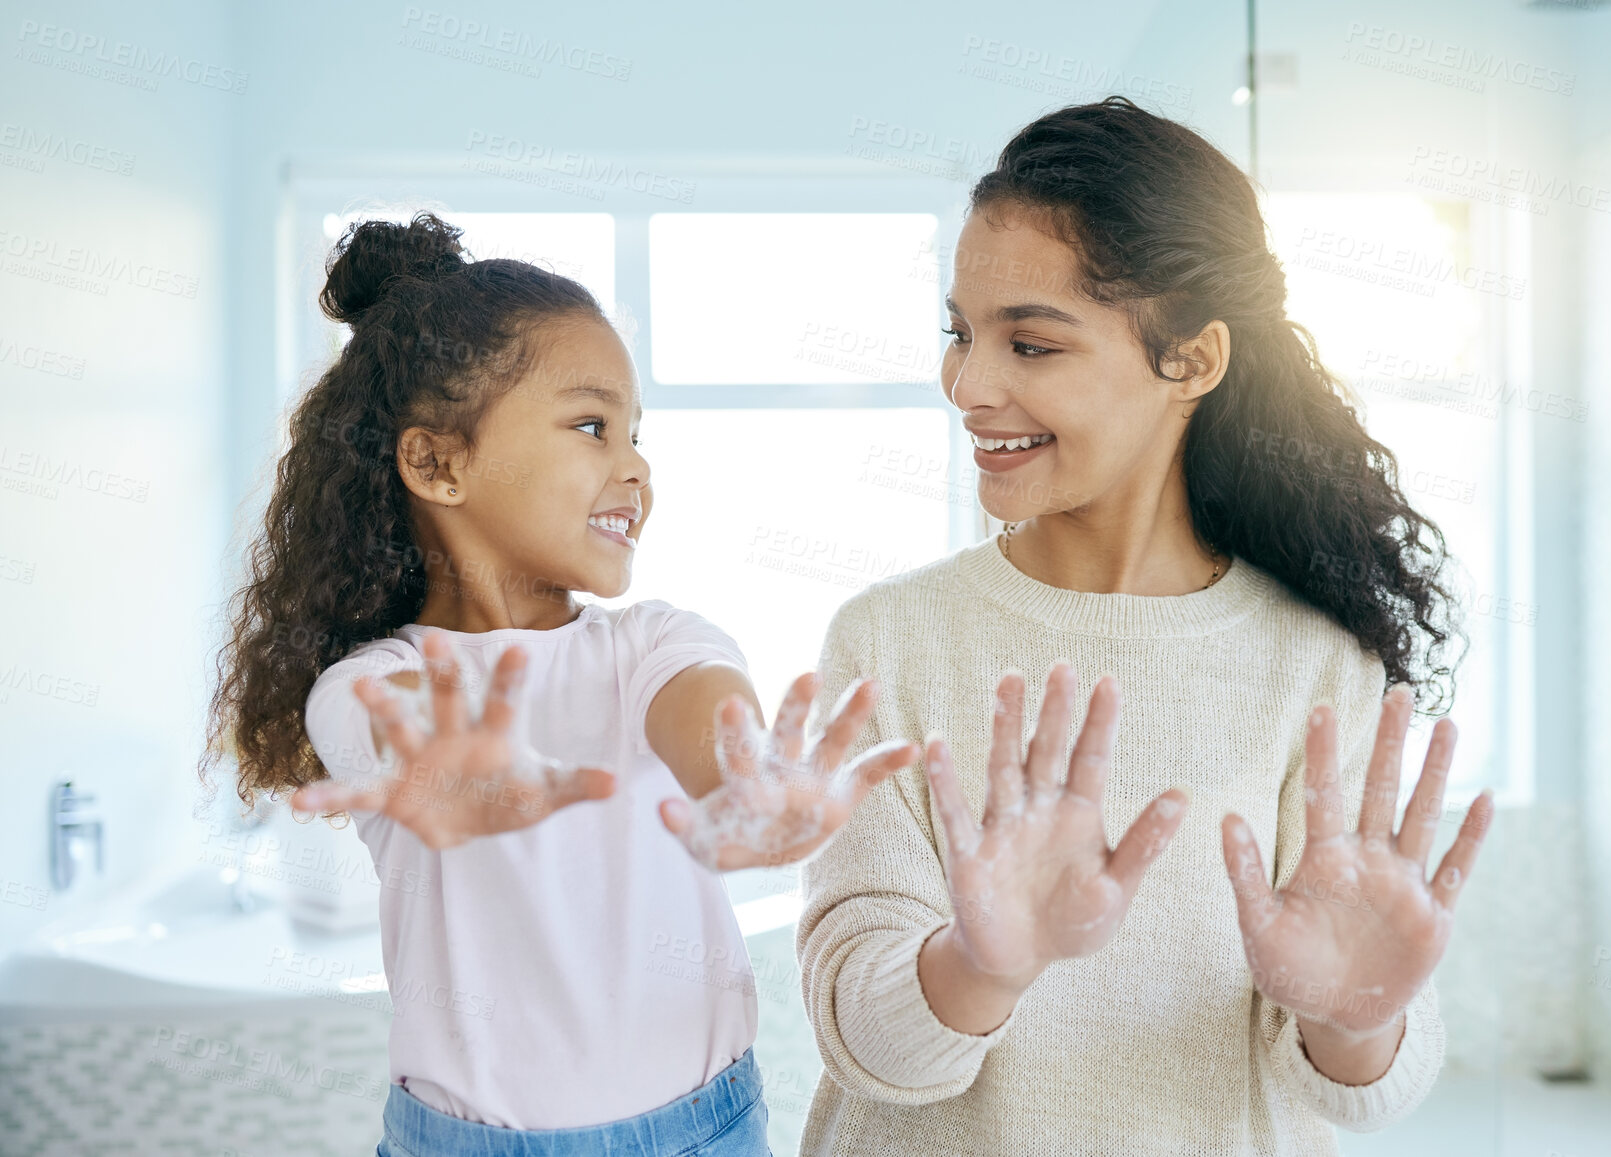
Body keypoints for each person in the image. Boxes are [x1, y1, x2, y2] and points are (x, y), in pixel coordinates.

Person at [795, 98, 1494, 1156]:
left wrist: (1354, 1011)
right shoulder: (889, 640)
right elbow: (864, 1046)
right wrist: (982, 962)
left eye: (1029, 342)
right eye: (960, 332)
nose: (968, 385)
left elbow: (1363, 1081)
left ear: (1194, 361)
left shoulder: (1315, 664)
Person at [203, 212, 919, 1156]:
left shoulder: (656, 644)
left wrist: (751, 786)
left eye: (634, 433)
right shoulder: (372, 681)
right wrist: (463, 774)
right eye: (592, 425)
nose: (637, 466)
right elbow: (405, 743)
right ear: (438, 462)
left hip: (704, 1130)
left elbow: (708, 723)